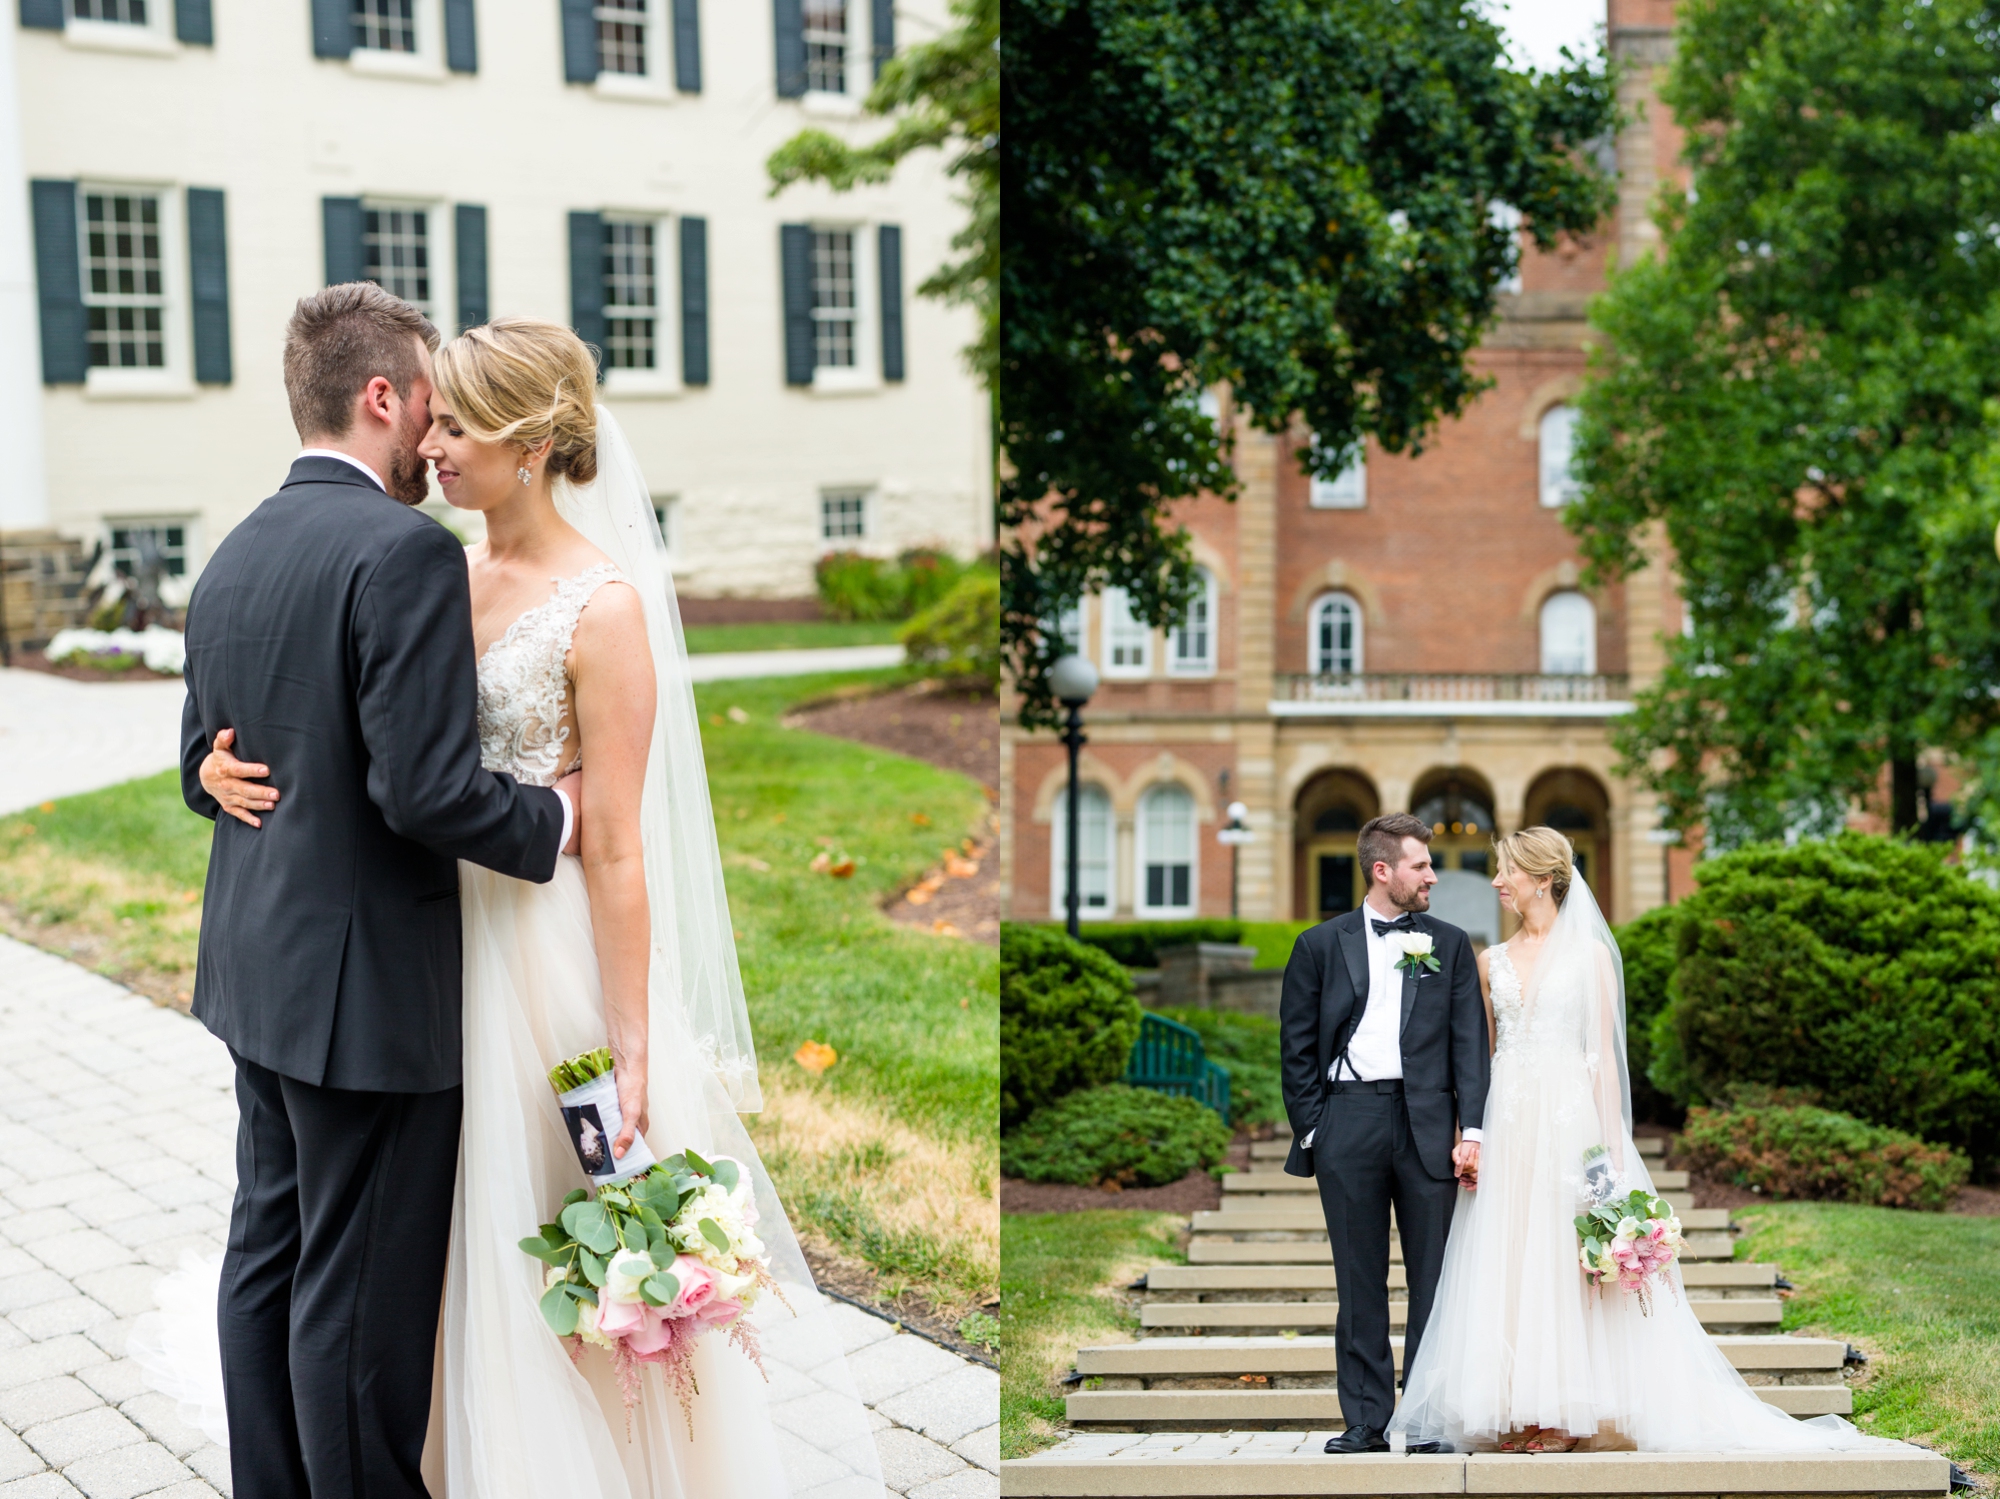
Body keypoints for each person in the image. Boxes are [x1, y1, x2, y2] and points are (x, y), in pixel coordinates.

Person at [139, 301, 886, 1499]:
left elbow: (625, 850)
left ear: (529, 441)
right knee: (365, 1269)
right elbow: (387, 769)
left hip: (513, 967)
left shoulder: (590, 602)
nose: (435, 438)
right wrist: (552, 812)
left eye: (460, 421)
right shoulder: (421, 557)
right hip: (400, 970)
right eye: (430, 410)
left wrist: (631, 1039)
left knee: (438, 1235)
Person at [1388, 826, 1908, 1456]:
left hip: (1572, 1124)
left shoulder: (1591, 957)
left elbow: (1603, 1059)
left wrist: (1608, 1155)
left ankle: (1568, 1416)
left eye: (1507, 872)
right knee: (1514, 1263)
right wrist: (1474, 1137)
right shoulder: (1490, 959)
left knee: (1568, 1265)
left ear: (1544, 878)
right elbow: (1484, 1055)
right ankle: (1521, 1407)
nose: (1496, 881)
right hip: (1510, 1123)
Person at [1277, 812, 1490, 1456]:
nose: (1433, 875)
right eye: (1421, 865)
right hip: (1348, 1121)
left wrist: (1472, 1129)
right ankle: (1366, 1421)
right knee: (1359, 1281)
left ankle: (1424, 1421)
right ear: (1382, 870)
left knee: (1433, 1282)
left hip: (1428, 1126)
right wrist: (1315, 1129)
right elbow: (1297, 1048)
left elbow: (1469, 1045)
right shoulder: (1319, 944)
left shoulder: (1449, 944)